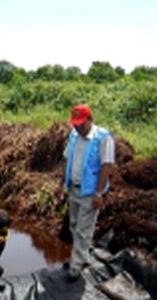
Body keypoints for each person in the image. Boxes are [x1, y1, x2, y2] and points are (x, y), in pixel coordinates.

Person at [59, 104, 115, 281]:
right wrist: (64, 182)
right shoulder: (74, 135)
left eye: (81, 124)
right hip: (74, 189)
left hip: (90, 193)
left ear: (90, 119)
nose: (77, 127)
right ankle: (81, 257)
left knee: (84, 230)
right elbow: (68, 158)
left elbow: (107, 166)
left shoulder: (103, 138)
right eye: (74, 124)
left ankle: (75, 267)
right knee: (74, 225)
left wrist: (99, 193)